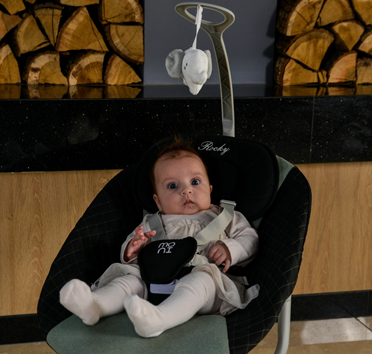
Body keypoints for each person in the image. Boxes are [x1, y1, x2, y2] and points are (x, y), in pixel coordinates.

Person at [59, 139, 259, 338]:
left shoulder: (224, 216)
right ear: (158, 201)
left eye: (195, 182)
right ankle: (95, 305)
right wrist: (132, 250)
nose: (186, 190)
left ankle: (159, 319)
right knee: (129, 280)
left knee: (201, 280)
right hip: (153, 282)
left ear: (210, 189)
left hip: (206, 286)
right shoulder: (152, 222)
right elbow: (129, 256)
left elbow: (250, 240)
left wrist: (230, 249)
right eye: (172, 186)